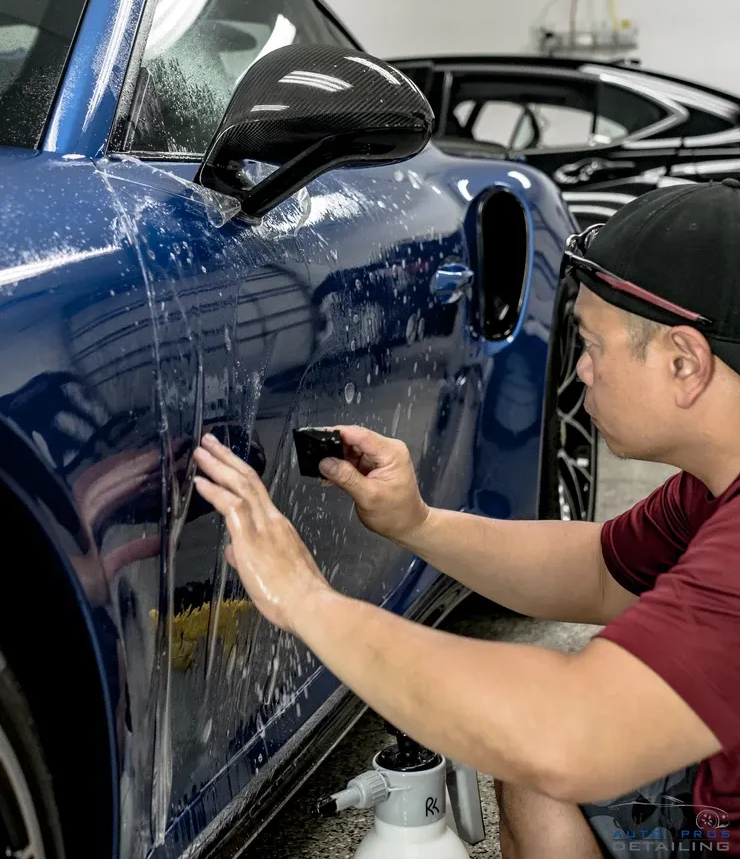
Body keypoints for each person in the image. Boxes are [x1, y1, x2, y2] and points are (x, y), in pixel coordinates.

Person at [193, 180, 740, 857]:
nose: (583, 372)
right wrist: (416, 523)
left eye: (592, 346)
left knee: (549, 745)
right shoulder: (715, 485)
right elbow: (598, 569)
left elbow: (575, 733)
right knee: (537, 777)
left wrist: (306, 601)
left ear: (685, 364)